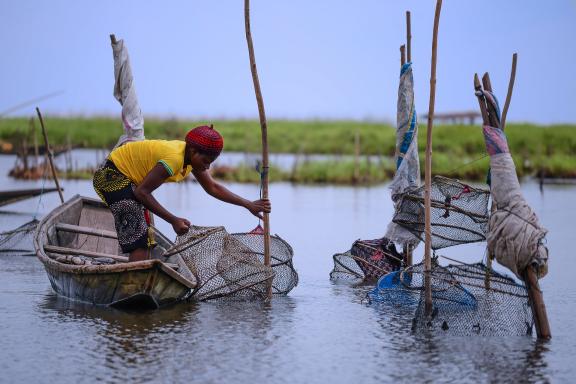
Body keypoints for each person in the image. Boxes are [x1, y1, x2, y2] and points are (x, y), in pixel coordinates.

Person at [93, 124, 271, 262]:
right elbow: (142, 193)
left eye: (211, 163)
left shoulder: (191, 159)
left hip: (129, 181)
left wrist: (248, 204)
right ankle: (132, 284)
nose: (207, 167)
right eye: (206, 161)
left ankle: (138, 276)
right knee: (138, 237)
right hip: (111, 177)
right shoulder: (175, 158)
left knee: (146, 237)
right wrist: (173, 220)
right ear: (193, 151)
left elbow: (213, 188)